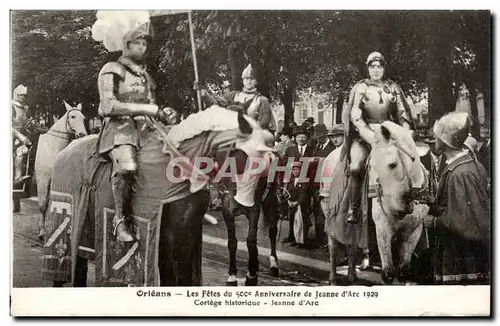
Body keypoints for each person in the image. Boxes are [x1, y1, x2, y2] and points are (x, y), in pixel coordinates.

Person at [93, 13, 179, 242]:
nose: (142, 48)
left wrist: (164, 113)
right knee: (127, 167)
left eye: (144, 44)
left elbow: (151, 106)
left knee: (179, 152)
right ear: (126, 45)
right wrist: (148, 111)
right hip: (120, 130)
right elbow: (107, 105)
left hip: (148, 129)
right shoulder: (112, 69)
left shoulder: (146, 77)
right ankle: (120, 221)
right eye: (137, 43)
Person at [342, 51, 414, 224]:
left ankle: (414, 198)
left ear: (384, 68)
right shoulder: (361, 87)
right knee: (356, 166)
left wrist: (405, 133)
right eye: (372, 67)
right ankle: (354, 207)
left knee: (411, 159)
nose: (375, 70)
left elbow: (403, 113)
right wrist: (369, 134)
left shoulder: (393, 87)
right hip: (365, 136)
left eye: (379, 66)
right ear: (367, 68)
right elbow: (356, 116)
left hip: (391, 134)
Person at [421, 112, 490, 285]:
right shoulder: (463, 165)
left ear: (445, 140)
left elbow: (464, 219)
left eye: (437, 135)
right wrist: (433, 201)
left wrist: (433, 221)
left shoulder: (459, 173)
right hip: (460, 247)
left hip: (461, 252)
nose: (433, 138)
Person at [224, 64, 276, 133]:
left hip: (254, 135)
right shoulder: (233, 96)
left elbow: (263, 123)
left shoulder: (262, 100)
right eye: (247, 78)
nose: (249, 81)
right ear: (243, 80)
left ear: (256, 81)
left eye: (252, 79)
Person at [311, 123, 335, 249]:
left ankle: (328, 240)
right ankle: (319, 238)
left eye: (321, 137)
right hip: (316, 183)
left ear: (326, 135)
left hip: (327, 183)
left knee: (326, 213)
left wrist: (319, 160)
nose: (319, 139)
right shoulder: (316, 148)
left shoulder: (332, 148)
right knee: (317, 213)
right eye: (317, 137)